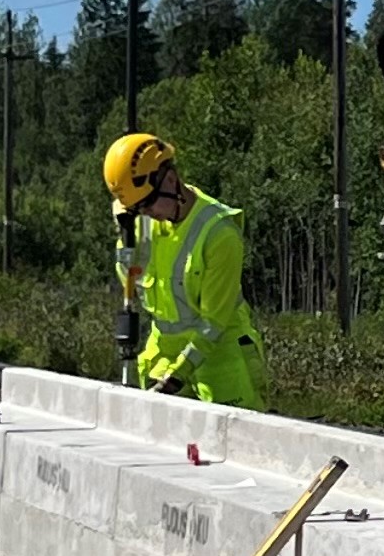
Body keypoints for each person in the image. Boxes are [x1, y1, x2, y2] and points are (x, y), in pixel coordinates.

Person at [103, 132, 265, 409]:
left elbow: (213, 322)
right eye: (136, 208)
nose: (145, 212)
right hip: (164, 357)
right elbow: (133, 283)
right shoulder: (142, 225)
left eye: (148, 202)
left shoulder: (218, 234)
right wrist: (124, 242)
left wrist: (176, 377)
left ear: (169, 180)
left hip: (222, 363)